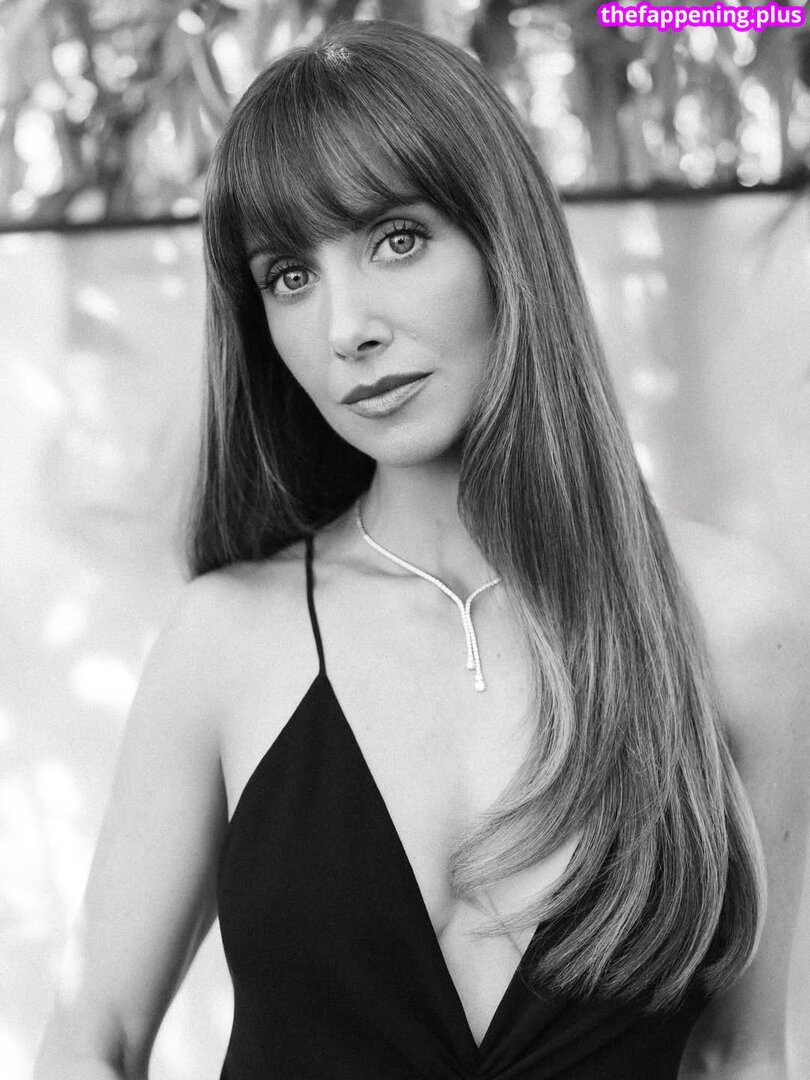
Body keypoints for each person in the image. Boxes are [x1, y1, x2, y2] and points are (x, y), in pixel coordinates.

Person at [35, 18, 808, 1080]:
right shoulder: (226, 641)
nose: (346, 327)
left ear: (504, 244)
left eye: (396, 238)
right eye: (288, 275)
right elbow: (94, 1038)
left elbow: (741, 1056)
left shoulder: (733, 622)